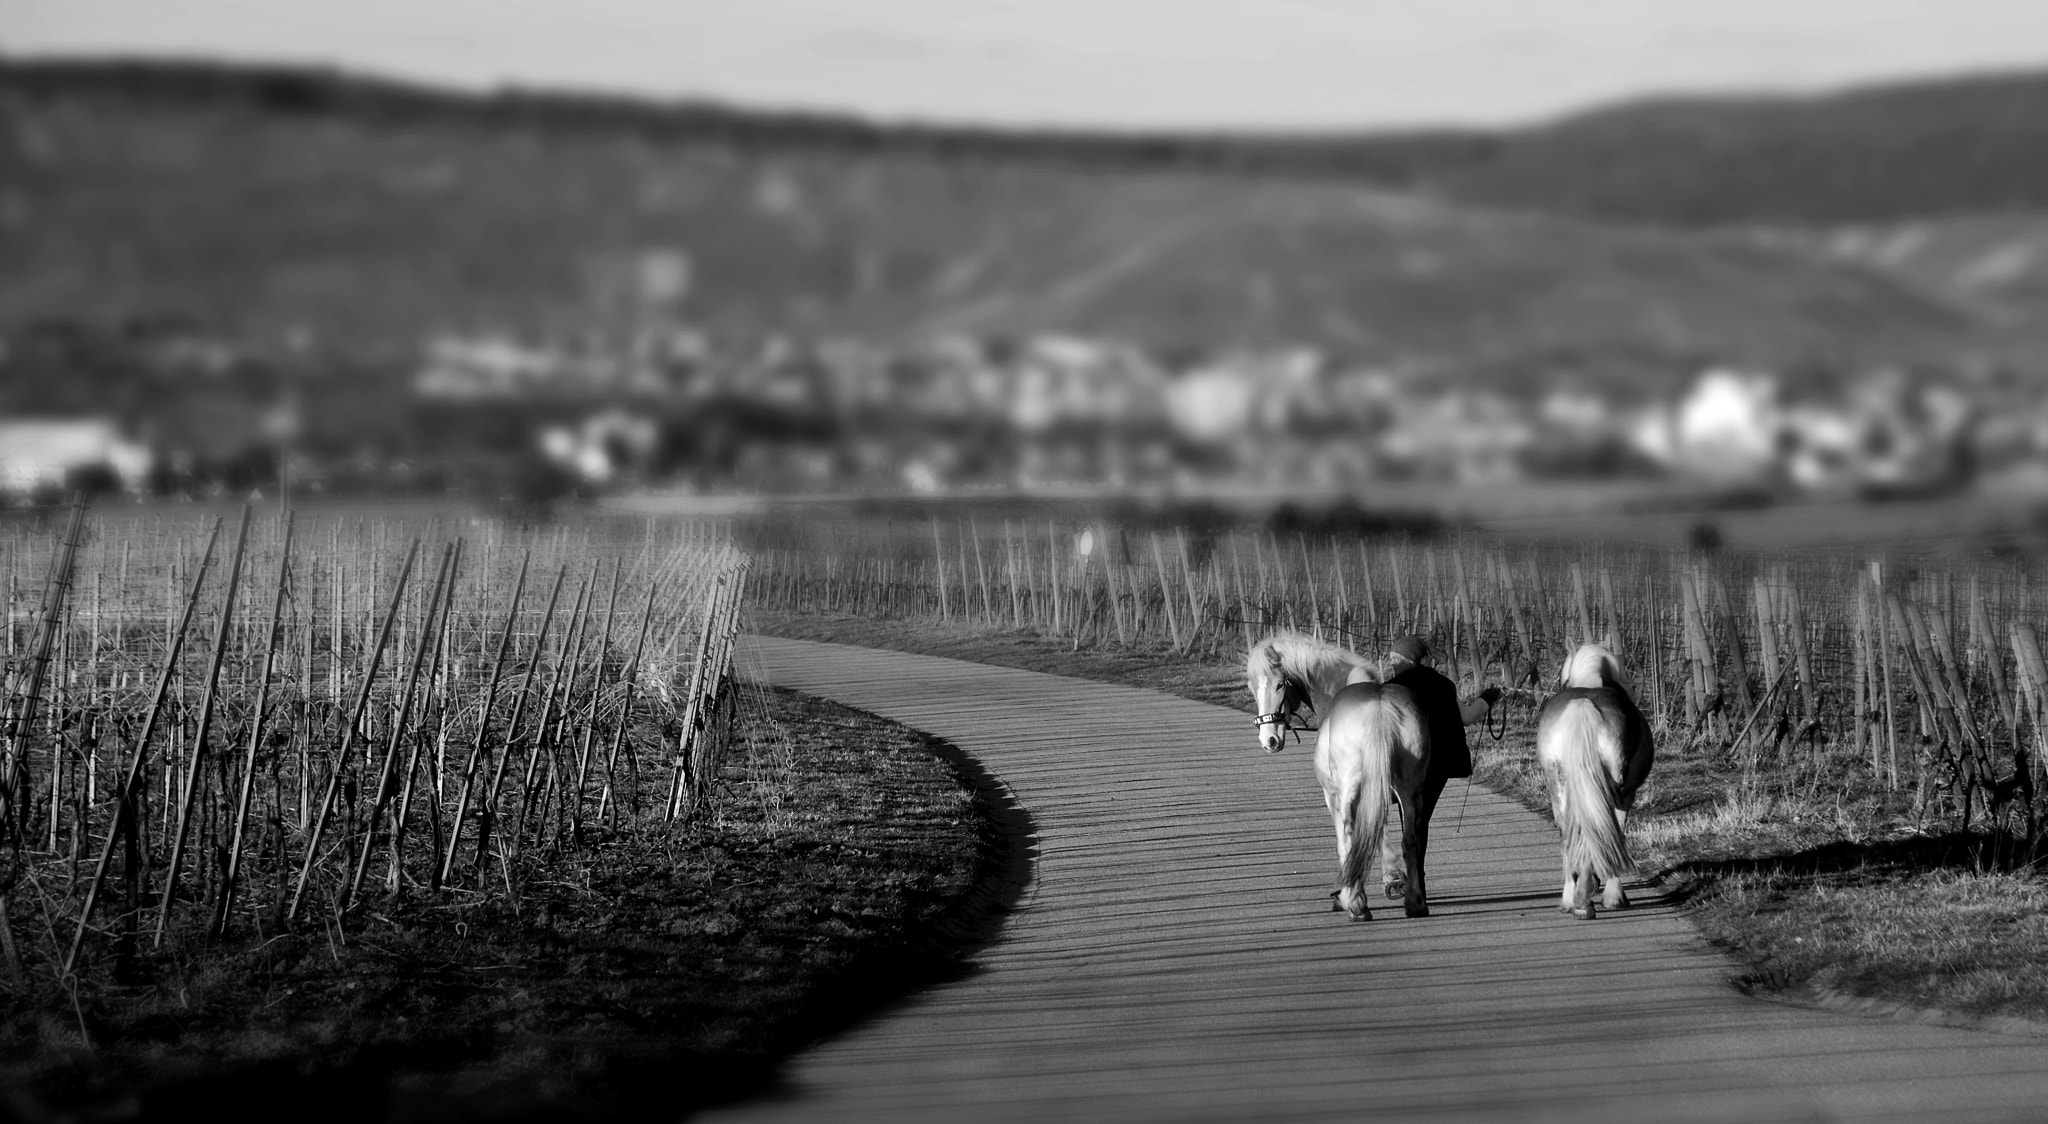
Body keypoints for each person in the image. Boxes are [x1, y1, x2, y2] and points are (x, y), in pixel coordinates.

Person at [1377, 635, 1502, 899]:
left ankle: (1413, 881)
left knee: (1408, 818)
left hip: (1401, 763)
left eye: (1394, 659)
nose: (1392, 663)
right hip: (1438, 764)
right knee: (1419, 821)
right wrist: (1489, 698)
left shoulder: (1388, 689)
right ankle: (1417, 883)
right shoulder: (1444, 685)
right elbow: (1468, 717)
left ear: (1408, 659)